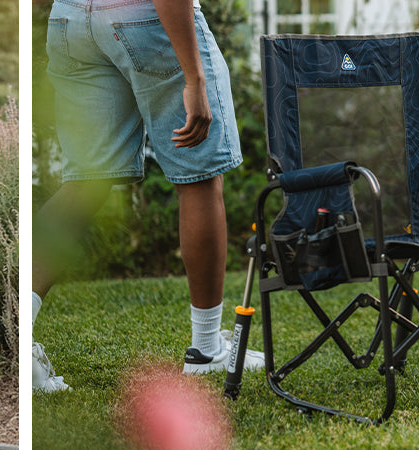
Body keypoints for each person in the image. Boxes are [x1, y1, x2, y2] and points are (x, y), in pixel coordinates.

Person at [32, 0, 262, 393]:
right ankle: (207, 350)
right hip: (147, 19)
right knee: (200, 175)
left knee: (85, 181)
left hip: (71, 20)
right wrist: (194, 78)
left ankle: (18, 334)